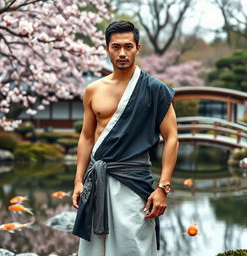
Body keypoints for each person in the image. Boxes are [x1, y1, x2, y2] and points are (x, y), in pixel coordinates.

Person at [71, 20, 179, 256]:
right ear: (107, 48)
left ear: (137, 48)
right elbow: (87, 137)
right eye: (116, 47)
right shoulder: (93, 90)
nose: (122, 53)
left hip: (133, 181)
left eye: (128, 47)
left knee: (133, 248)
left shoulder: (155, 89)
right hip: (97, 181)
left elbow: (172, 138)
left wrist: (163, 188)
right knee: (94, 249)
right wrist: (79, 180)